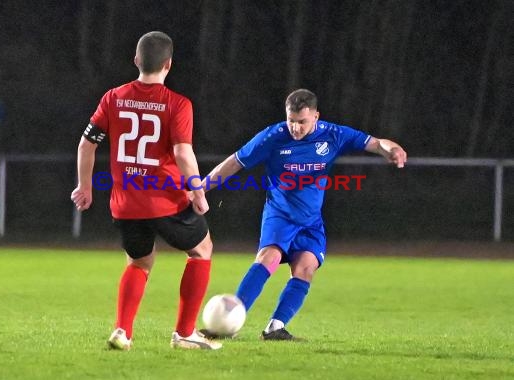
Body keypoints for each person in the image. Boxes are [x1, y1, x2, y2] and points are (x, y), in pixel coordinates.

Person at [201, 89, 407, 340]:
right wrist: (201, 188)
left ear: (316, 117)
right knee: (269, 258)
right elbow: (235, 162)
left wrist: (392, 149)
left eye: (302, 122)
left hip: (311, 221)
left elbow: (375, 143)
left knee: (306, 268)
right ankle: (229, 323)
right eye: (291, 121)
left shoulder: (334, 134)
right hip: (280, 214)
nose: (295, 128)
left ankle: (275, 328)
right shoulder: (272, 136)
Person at [71, 31, 221, 350]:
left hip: (125, 204)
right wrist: (197, 191)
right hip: (166, 200)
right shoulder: (178, 104)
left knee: (138, 262)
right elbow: (182, 153)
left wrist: (85, 187)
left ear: (137, 60)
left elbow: (86, 143)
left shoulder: (113, 97)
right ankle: (183, 333)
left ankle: (122, 331)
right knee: (202, 250)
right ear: (169, 64)